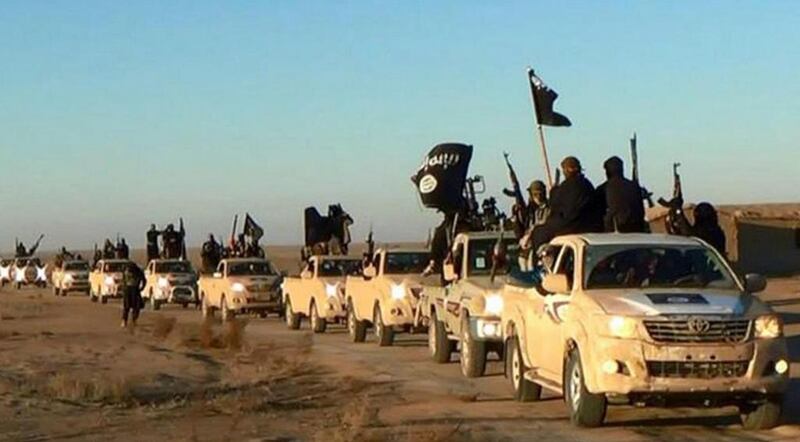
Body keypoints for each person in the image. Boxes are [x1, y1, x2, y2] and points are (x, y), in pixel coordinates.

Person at [533, 156, 602, 250]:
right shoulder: (588, 185)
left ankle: (542, 259)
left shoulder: (565, 187)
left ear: (568, 170)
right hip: (591, 225)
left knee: (538, 232)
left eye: (564, 170)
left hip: (570, 225)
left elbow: (555, 206)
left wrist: (553, 191)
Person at [599, 156, 647, 233]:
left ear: (607, 171)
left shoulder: (604, 188)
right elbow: (641, 210)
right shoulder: (634, 186)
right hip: (637, 229)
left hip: (614, 231)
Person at [120, 263, 145, 328]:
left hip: (134, 289)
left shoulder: (138, 272)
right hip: (129, 290)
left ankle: (133, 320)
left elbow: (144, 280)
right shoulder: (126, 271)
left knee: (136, 306)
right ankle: (125, 320)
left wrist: (141, 288)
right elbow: (123, 280)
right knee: (127, 306)